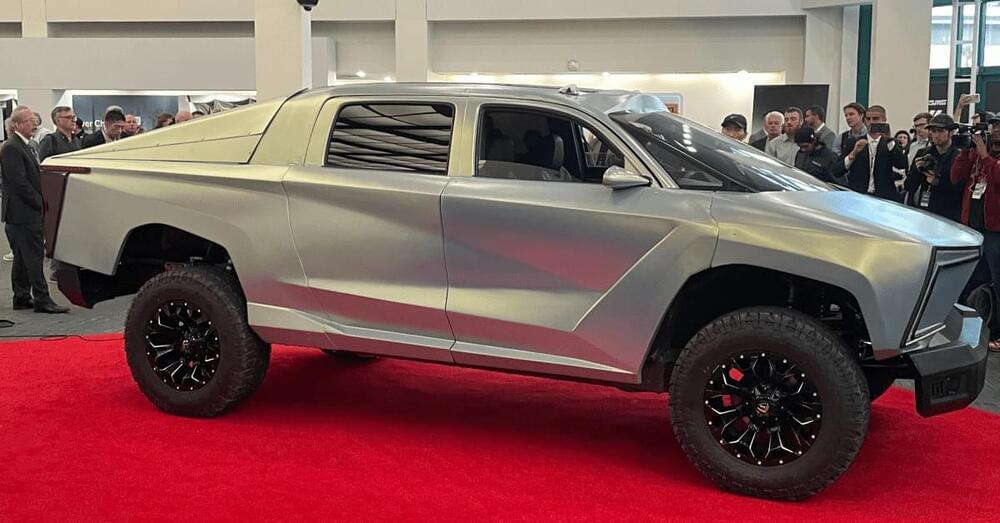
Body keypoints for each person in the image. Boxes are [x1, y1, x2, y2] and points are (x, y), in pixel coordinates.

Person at [0, 106, 70, 313]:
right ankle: (42, 299)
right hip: (22, 212)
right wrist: (40, 203)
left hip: (23, 212)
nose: (35, 124)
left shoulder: (25, 145)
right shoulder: (11, 147)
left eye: (34, 120)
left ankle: (21, 296)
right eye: (29, 121)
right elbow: (19, 182)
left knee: (22, 257)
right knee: (33, 256)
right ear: (17, 125)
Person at [951, 117, 1000, 351]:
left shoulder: (987, 155)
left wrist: (984, 156)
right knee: (972, 278)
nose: (996, 130)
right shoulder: (979, 152)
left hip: (996, 229)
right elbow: (956, 177)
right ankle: (972, 326)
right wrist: (967, 152)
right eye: (994, 126)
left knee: (998, 281)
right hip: (973, 225)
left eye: (999, 126)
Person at [832, 105, 908, 201]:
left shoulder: (890, 143)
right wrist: (853, 153)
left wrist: (890, 144)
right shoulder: (853, 142)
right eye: (868, 119)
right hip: (858, 196)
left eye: (875, 119)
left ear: (884, 120)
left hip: (884, 197)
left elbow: (902, 165)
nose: (871, 122)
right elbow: (837, 171)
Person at [905, 114, 962, 221]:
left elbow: (960, 188)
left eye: (940, 131)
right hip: (925, 209)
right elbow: (908, 186)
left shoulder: (958, 156)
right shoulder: (923, 153)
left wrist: (938, 182)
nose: (936, 135)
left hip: (949, 212)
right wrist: (917, 171)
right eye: (933, 131)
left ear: (951, 132)